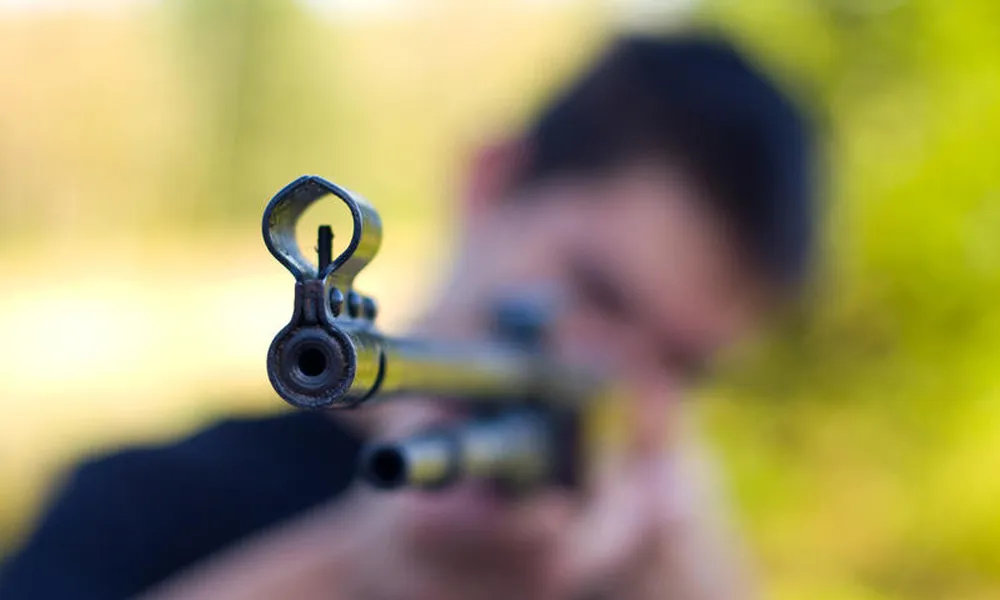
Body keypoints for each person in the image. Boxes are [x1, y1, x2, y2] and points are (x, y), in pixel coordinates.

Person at [0, 34, 816, 600]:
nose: (608, 371)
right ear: (493, 183)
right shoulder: (145, 503)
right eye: (598, 292)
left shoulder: (655, 540)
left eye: (679, 363)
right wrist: (356, 573)